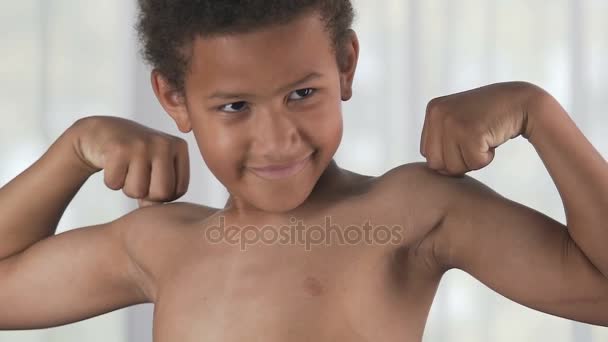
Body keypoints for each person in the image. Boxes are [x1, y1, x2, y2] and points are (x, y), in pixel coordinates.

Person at [1, 0, 607, 340]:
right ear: (174, 100)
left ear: (345, 66)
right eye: (235, 106)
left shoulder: (412, 212)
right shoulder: (163, 243)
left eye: (302, 94)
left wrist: (540, 113)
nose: (278, 139)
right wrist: (74, 150)